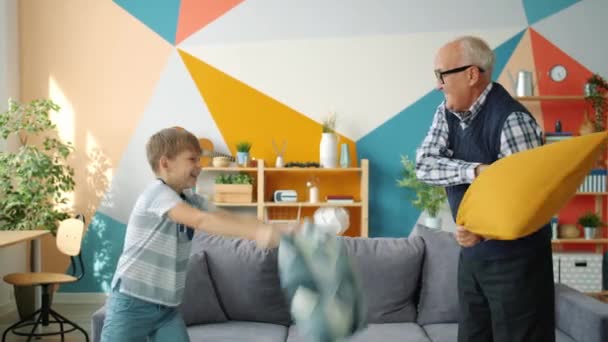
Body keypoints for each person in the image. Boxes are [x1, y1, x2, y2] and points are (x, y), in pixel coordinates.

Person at [415, 36, 554, 342]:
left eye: (441, 74)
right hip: (473, 257)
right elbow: (424, 165)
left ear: (471, 74)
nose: (437, 84)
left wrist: (484, 231)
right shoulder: (446, 113)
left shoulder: (512, 120)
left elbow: (529, 200)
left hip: (518, 263)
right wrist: (474, 170)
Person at [100, 127, 284, 342]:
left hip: (167, 308)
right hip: (132, 301)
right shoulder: (157, 194)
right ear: (166, 163)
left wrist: (276, 229)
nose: (199, 166)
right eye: (192, 160)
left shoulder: (190, 198)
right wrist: (257, 233)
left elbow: (225, 217)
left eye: (199, 160)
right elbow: (201, 220)